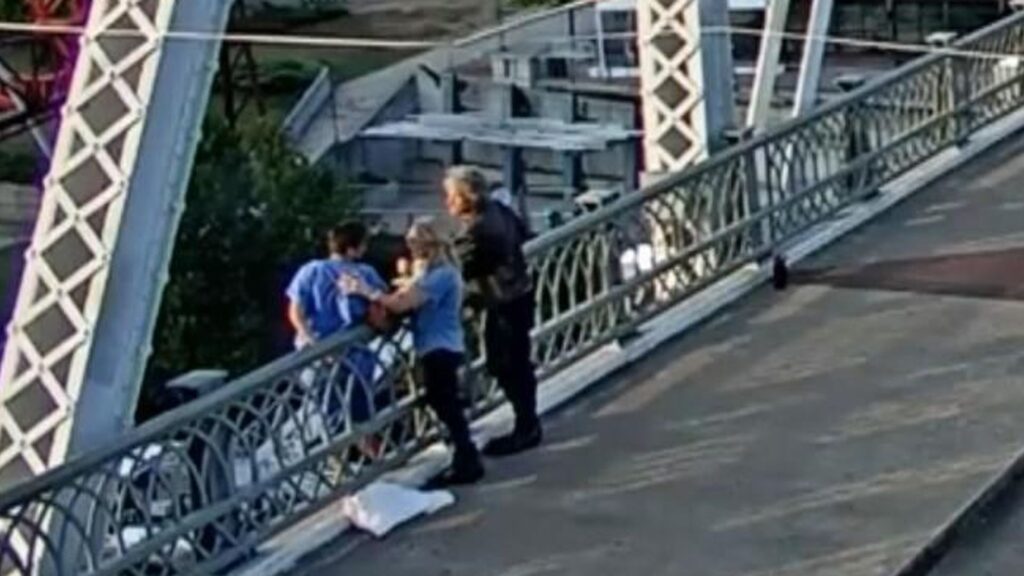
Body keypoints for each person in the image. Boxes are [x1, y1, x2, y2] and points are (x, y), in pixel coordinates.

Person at [341, 218, 485, 486]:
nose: (409, 248)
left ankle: (467, 458)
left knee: (444, 402)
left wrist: (365, 291)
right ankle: (463, 455)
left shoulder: (441, 275)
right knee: (443, 400)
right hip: (440, 344)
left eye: (414, 243)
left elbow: (401, 304)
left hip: (440, 346)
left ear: (429, 244)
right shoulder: (437, 271)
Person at [444, 165, 542, 457]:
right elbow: (524, 232)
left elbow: (458, 268)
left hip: (504, 302)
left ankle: (526, 427)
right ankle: (528, 423)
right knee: (516, 362)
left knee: (506, 364)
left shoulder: (476, 230)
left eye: (451, 196)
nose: (447, 203)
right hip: (520, 293)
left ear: (466, 197)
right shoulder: (500, 210)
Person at [286, 222, 388, 432]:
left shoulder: (310, 271)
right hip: (356, 354)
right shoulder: (365, 274)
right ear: (352, 248)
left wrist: (309, 339)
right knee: (361, 415)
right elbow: (382, 311)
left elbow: (295, 311)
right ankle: (370, 456)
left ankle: (338, 460)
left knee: (327, 417)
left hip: (319, 355)